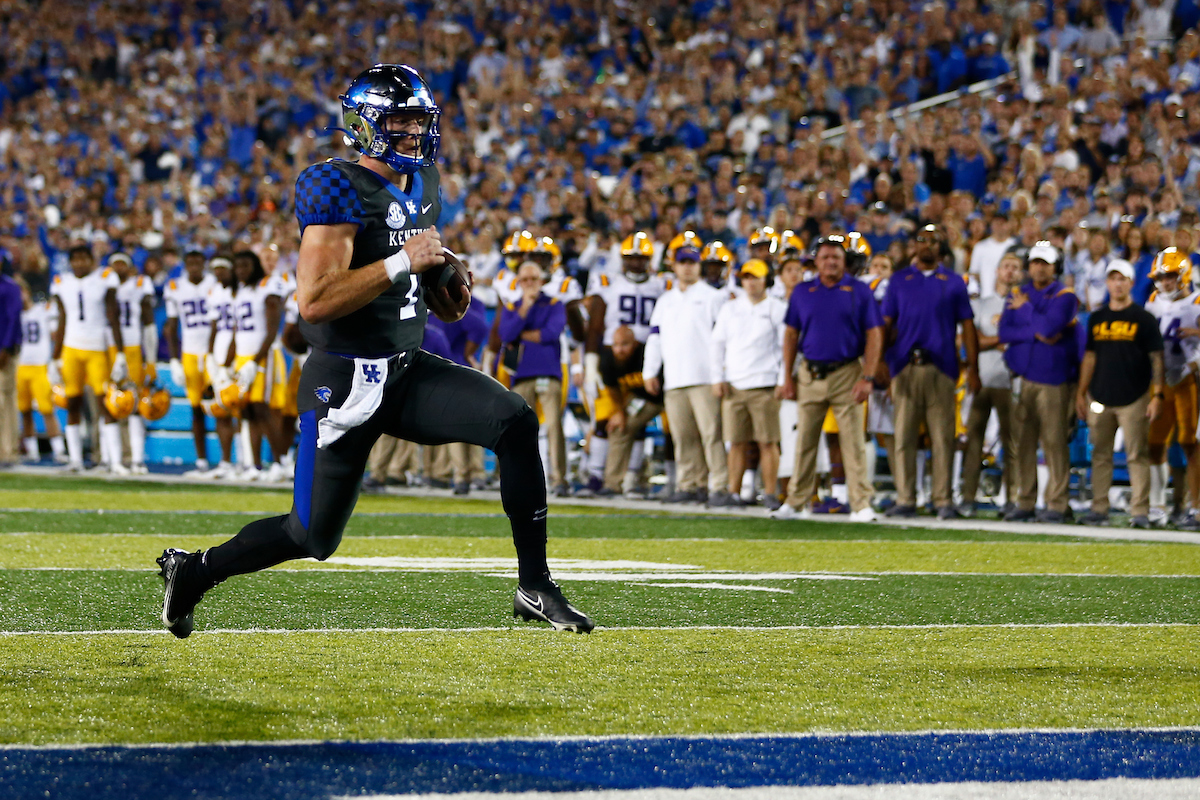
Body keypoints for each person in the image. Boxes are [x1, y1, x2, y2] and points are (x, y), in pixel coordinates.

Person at [157, 64, 593, 637]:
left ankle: (534, 585)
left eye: (419, 121)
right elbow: (314, 301)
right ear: (364, 125)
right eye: (400, 121)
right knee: (311, 536)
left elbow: (421, 271)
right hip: (343, 386)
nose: (415, 133)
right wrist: (402, 262)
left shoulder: (425, 182)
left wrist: (441, 278)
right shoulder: (336, 185)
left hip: (406, 370)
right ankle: (194, 572)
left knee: (514, 420)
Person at [772, 235, 883, 522]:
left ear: (844, 261)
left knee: (853, 442)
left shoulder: (859, 290)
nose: (831, 262)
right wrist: (787, 377)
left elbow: (874, 334)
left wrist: (868, 376)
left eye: (836, 257)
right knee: (804, 441)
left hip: (847, 372)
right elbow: (791, 335)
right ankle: (796, 501)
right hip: (810, 373)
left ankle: (861, 503)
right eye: (825, 257)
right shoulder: (803, 291)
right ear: (816, 262)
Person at [882, 224, 981, 519]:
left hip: (942, 366)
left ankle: (942, 499)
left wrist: (972, 368)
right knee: (904, 436)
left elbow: (967, 326)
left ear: (941, 247)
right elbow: (885, 324)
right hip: (904, 365)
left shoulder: (954, 282)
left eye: (934, 240)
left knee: (943, 437)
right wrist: (880, 364)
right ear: (914, 245)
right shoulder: (898, 280)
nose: (927, 245)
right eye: (922, 239)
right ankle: (905, 498)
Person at [1075, 260, 1163, 528]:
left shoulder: (1144, 319)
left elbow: (1157, 358)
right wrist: (1081, 392)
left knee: (1137, 455)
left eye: (1122, 279)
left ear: (1131, 283)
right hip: (1100, 395)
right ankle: (1099, 508)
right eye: (1113, 279)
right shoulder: (1097, 318)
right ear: (1107, 283)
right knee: (1100, 455)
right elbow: (1090, 357)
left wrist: (1157, 394)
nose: (1117, 284)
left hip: (1135, 396)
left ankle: (1140, 512)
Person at [644, 234, 730, 505]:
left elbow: (723, 340)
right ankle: (689, 483)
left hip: (705, 377)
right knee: (682, 437)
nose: (687, 267)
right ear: (674, 266)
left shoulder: (713, 297)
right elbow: (655, 338)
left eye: (692, 262)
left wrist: (720, 374)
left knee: (711, 435)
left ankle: (718, 485)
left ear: (699, 265)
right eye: (683, 262)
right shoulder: (666, 300)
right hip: (675, 378)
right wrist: (650, 371)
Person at [999, 242, 1081, 523]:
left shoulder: (1065, 295)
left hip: (1053, 380)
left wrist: (1025, 311)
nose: (1039, 268)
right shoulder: (1017, 292)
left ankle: (1057, 504)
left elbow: (1048, 328)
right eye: (1035, 262)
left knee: (1054, 443)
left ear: (1055, 266)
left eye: (1045, 263)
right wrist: (1037, 330)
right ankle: (1025, 501)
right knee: (1023, 443)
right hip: (1023, 378)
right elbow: (1004, 332)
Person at [710, 259, 787, 509]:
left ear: (767, 280)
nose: (751, 282)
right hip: (735, 384)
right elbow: (717, 344)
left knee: (768, 442)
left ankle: (771, 493)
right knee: (735, 442)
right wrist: (717, 377)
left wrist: (783, 379)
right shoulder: (730, 309)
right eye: (746, 277)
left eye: (756, 277)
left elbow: (786, 348)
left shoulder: (778, 308)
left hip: (765, 384)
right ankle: (733, 492)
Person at [49, 245, 126, 473]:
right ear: (70, 262)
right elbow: (62, 319)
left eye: (84, 258)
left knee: (106, 404)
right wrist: (55, 357)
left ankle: (114, 460)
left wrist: (120, 352)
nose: (80, 263)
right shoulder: (62, 282)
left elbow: (113, 315)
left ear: (92, 260)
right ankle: (75, 460)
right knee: (72, 403)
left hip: (97, 347)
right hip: (71, 348)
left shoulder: (104, 277)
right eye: (76, 259)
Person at [499, 260, 570, 497]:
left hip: (549, 373)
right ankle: (522, 477)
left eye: (534, 279)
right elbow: (505, 335)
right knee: (520, 429)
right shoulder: (513, 306)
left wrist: (521, 334)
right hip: (521, 375)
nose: (530, 283)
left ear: (542, 280)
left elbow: (551, 333)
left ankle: (559, 479)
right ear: (519, 282)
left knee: (554, 426)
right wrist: (525, 309)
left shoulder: (555, 304)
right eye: (525, 279)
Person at [959, 251, 1021, 516]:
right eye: (1006, 266)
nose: (1010, 271)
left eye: (1015, 267)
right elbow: (971, 340)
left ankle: (1012, 499)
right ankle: (967, 497)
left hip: (1011, 382)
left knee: (1012, 444)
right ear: (997, 271)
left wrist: (991, 340)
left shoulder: (1022, 305)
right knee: (974, 441)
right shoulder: (982, 304)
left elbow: (1025, 338)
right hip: (982, 379)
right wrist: (1003, 339)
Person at [1143, 248, 1200, 525]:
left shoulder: (1197, 301)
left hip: (1190, 380)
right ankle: (1157, 506)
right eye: (1160, 277)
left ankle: (1196, 507)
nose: (1164, 282)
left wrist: (1192, 362)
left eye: (1170, 276)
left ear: (1184, 274)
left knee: (1191, 443)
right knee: (1154, 444)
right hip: (1161, 381)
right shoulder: (1153, 301)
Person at [229, 249, 287, 482]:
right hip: (243, 356)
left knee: (263, 409)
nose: (241, 270)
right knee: (248, 411)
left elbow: (272, 330)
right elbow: (236, 331)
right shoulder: (241, 291)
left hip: (263, 355)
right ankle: (254, 465)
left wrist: (254, 361)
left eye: (246, 265)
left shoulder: (268, 285)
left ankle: (279, 462)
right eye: (238, 266)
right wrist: (230, 362)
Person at [597, 324, 664, 497]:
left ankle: (686, 484)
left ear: (635, 344)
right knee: (618, 427)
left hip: (667, 397)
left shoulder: (646, 353)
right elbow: (613, 389)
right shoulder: (608, 360)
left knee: (682, 433)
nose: (619, 349)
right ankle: (613, 484)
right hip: (641, 400)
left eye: (625, 344)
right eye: (616, 344)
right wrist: (620, 412)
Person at [165, 251, 216, 471]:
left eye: (198, 262)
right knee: (196, 409)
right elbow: (171, 326)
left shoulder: (215, 283)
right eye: (190, 263)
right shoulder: (175, 287)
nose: (194, 266)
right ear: (185, 265)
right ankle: (201, 460)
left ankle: (229, 461)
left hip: (214, 352)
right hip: (190, 352)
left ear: (204, 264)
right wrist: (174, 359)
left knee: (222, 407)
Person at [109, 252, 156, 473]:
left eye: (122, 264)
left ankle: (137, 459)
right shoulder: (103, 286)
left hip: (133, 347)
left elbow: (149, 323)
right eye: (115, 264)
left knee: (135, 403)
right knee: (110, 403)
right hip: (108, 347)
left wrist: (151, 360)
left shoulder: (140, 284)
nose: (118, 268)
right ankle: (111, 459)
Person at [16, 282, 67, 463]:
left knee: (47, 409)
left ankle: (58, 450)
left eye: (21, 291)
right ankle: (32, 450)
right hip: (20, 367)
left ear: (27, 291)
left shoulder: (42, 310)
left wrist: (55, 360)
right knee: (24, 410)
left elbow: (55, 333)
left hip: (40, 367)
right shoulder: (13, 313)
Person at [0, 271, 21, 465]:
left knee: (5, 401)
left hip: (3, 352)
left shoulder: (10, 287)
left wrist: (6, 348)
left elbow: (13, 319)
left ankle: (8, 451)